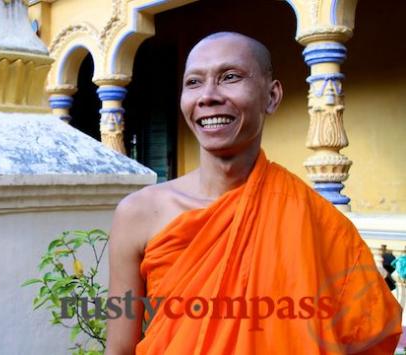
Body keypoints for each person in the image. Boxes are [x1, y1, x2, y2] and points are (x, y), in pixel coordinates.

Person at [106, 32, 402, 355]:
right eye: (193, 82)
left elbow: (368, 336)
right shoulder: (138, 214)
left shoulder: (316, 221)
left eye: (229, 77)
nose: (208, 96)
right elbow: (120, 349)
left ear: (271, 96)